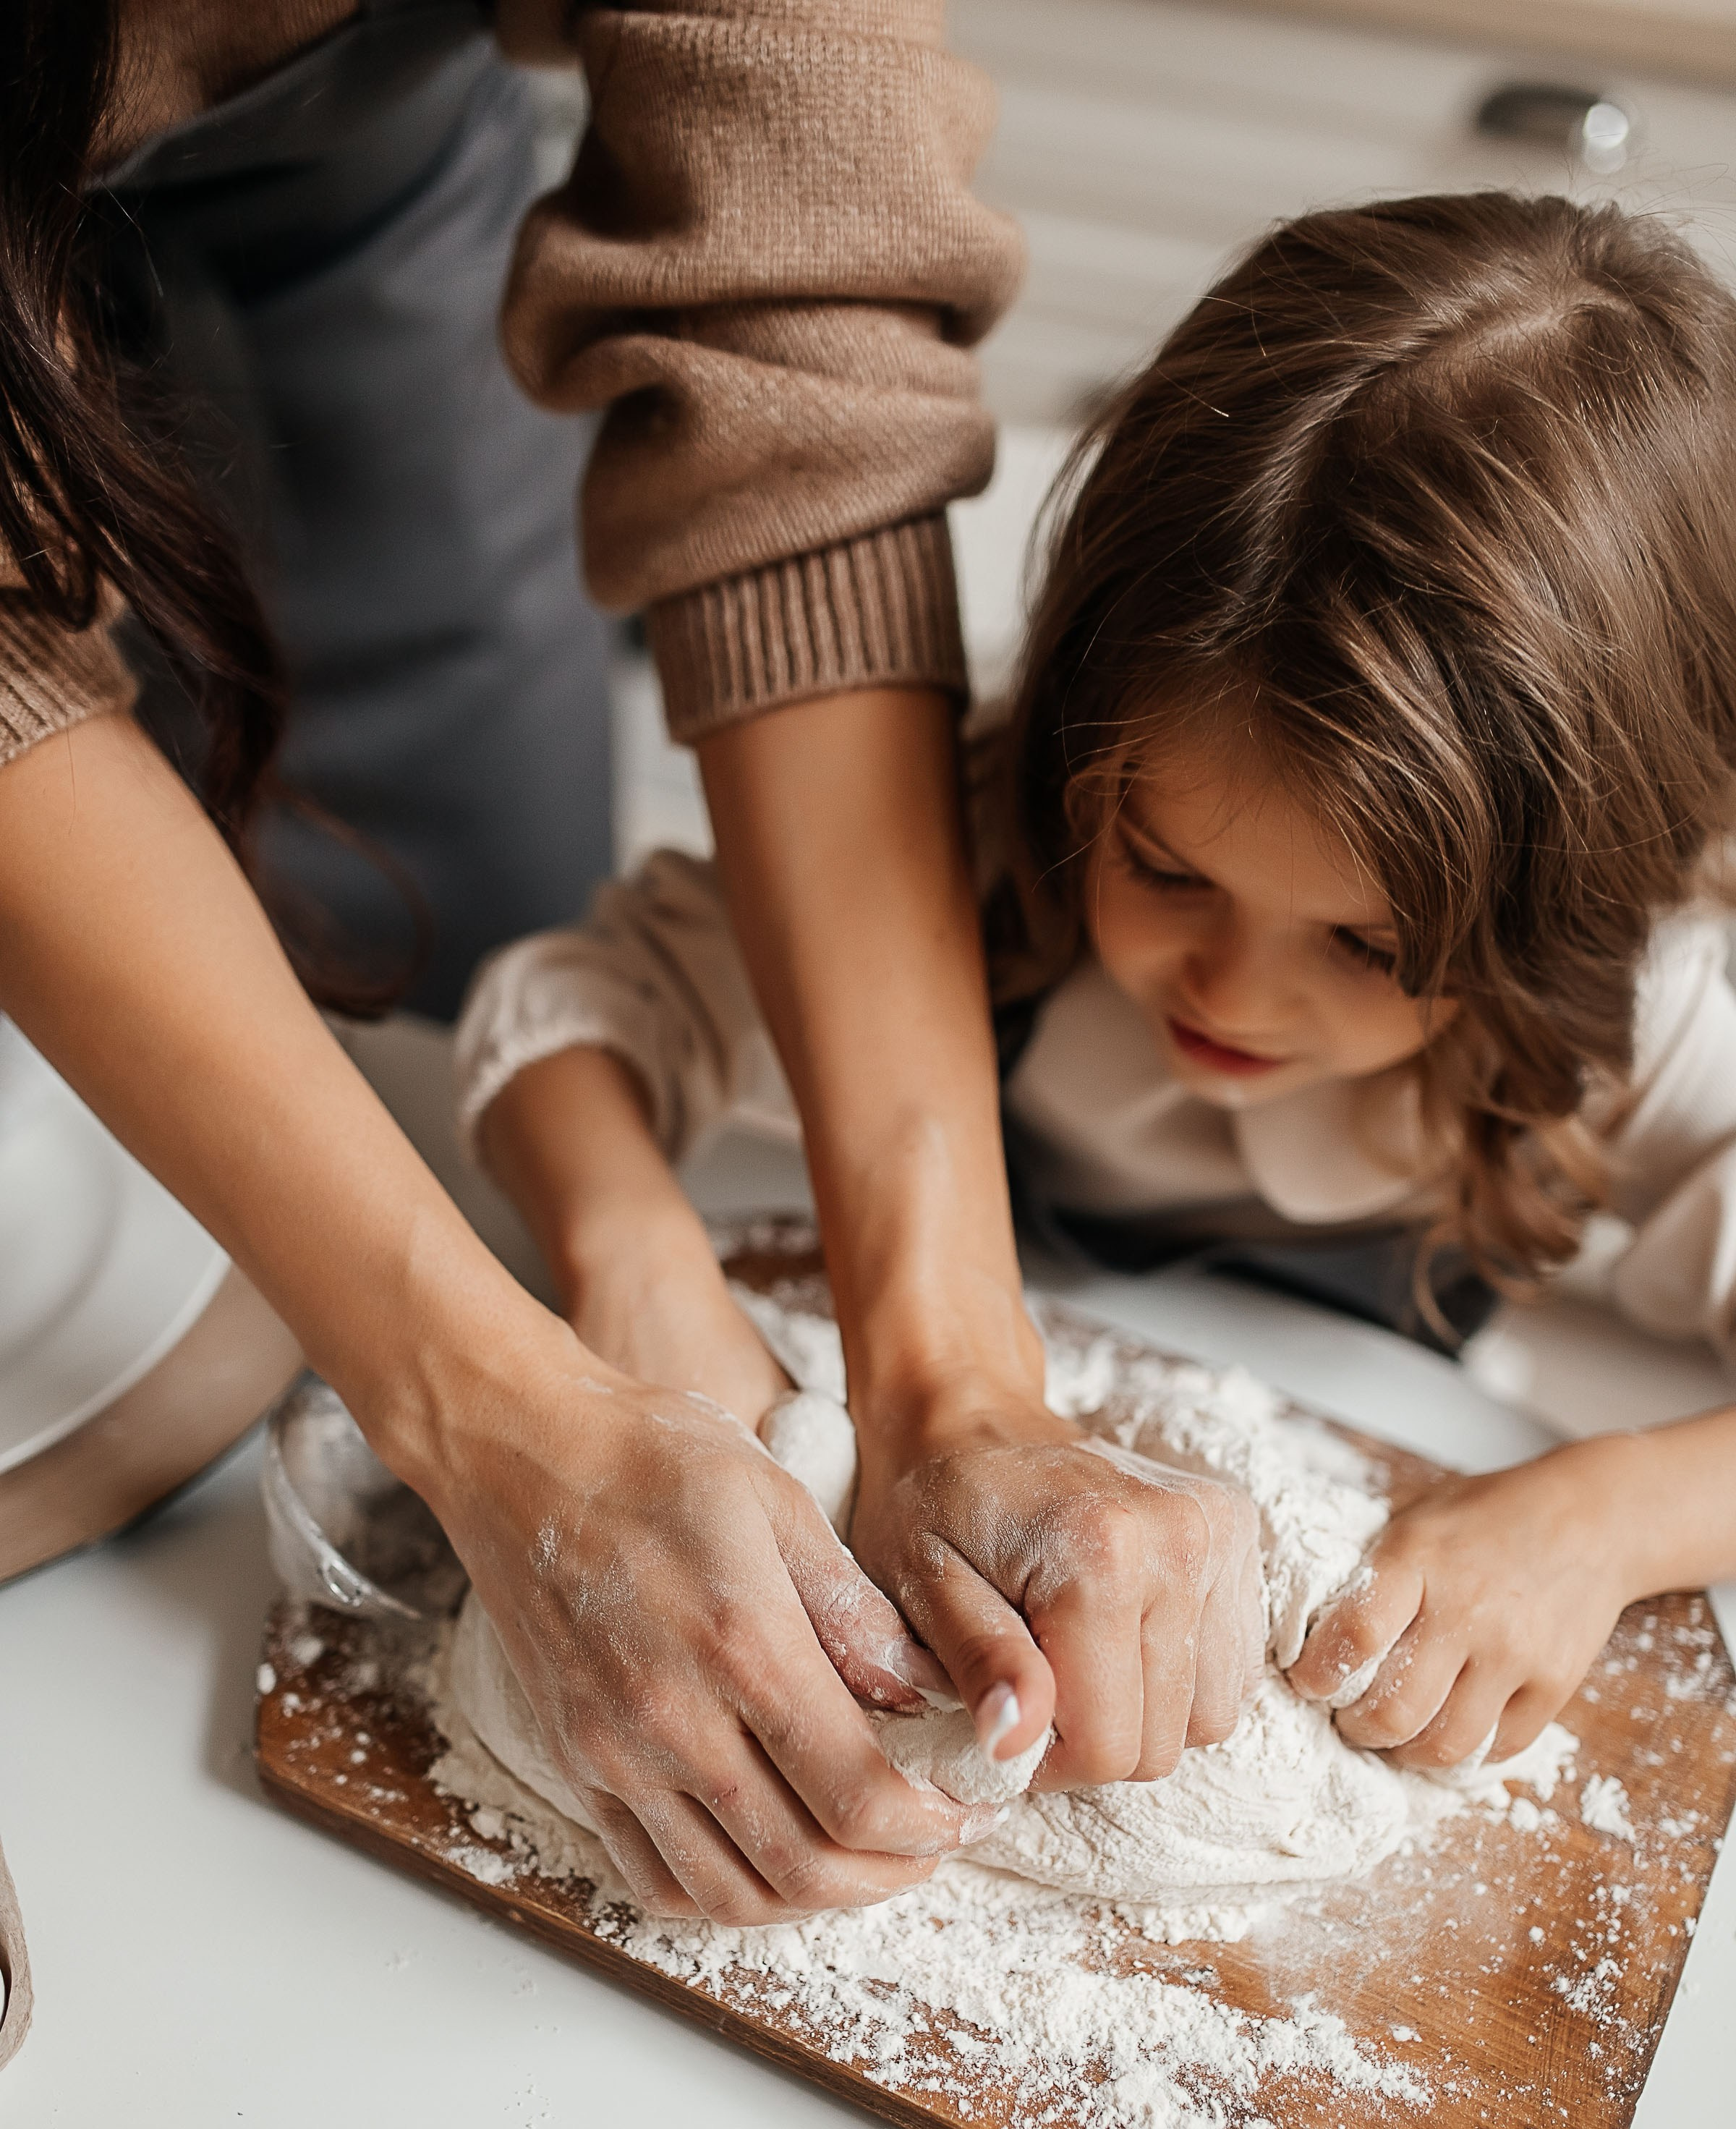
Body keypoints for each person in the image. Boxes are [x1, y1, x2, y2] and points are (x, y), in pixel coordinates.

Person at [0, 0, 1264, 1988]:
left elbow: (799, 356)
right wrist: (495, 1424)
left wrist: (950, 1367)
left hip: (360, 135)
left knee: (432, 951)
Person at [456, 188, 1736, 1811]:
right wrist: (643, 1277)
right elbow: (558, 1019)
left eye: (1366, 951)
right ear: (1082, 730)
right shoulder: (973, 857)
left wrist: (1602, 1519)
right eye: (1167, 863)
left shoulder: (1634, 1041)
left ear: (1561, 924)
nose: (1225, 986)